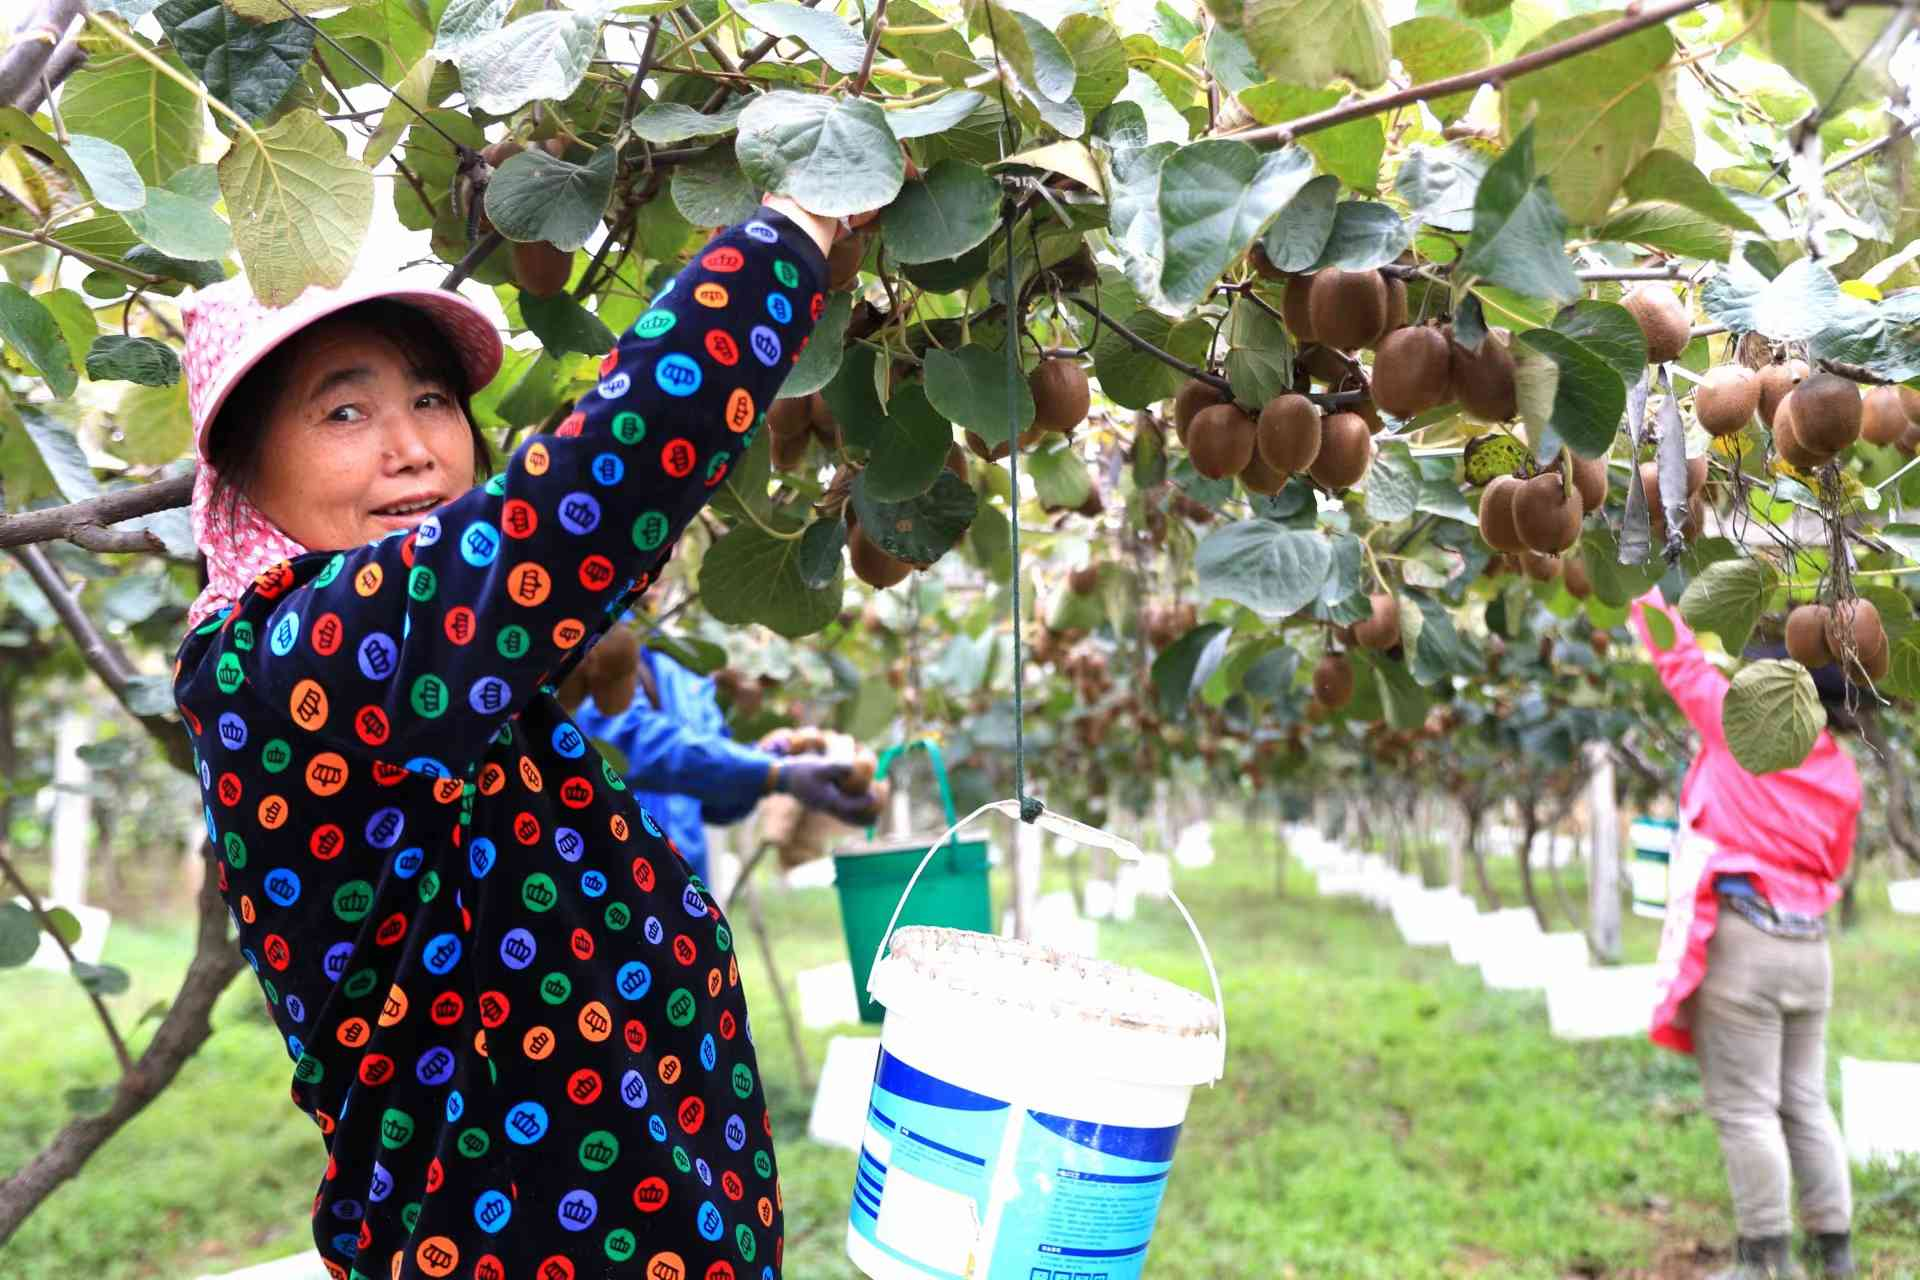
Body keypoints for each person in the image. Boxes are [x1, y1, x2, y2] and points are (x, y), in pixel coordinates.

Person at [172, 194, 837, 1280]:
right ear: (241, 473)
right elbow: (582, 501)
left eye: (433, 400)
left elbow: (585, 543)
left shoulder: (438, 672)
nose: (412, 449)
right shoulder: (277, 661)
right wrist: (793, 230)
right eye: (345, 412)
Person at [1628, 589, 1861, 1280]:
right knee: (1804, 1101)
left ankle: (1764, 1260)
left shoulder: (1741, 734)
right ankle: (1836, 1251)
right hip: (1809, 950)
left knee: (1745, 1109)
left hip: (1745, 942)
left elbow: (1678, 659)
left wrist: (1639, 579)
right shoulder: (1840, 771)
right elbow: (1836, 863)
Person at [568, 641, 877, 885]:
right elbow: (629, 744)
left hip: (685, 885)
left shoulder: (687, 664)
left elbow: (713, 801)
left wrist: (775, 755)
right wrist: (773, 773)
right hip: (617, 878)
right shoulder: (601, 645)